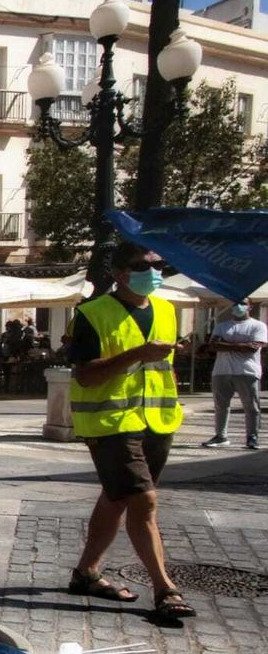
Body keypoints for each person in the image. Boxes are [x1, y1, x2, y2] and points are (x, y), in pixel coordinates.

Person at [65, 242, 192, 622]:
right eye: (143, 265)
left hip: (157, 422)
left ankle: (86, 573)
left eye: (159, 264)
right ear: (120, 273)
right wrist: (136, 354)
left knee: (117, 497)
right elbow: (84, 375)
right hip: (110, 424)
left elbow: (164, 367)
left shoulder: (167, 311)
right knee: (144, 500)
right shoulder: (91, 314)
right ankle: (165, 588)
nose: (154, 271)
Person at [200, 302, 264, 449]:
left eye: (243, 303)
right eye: (236, 303)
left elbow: (252, 348)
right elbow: (214, 345)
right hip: (221, 371)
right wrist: (242, 345)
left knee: (251, 407)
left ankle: (252, 437)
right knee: (221, 405)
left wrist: (226, 344)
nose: (238, 306)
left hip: (247, 371)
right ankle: (220, 436)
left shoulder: (258, 326)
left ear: (250, 306)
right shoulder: (222, 325)